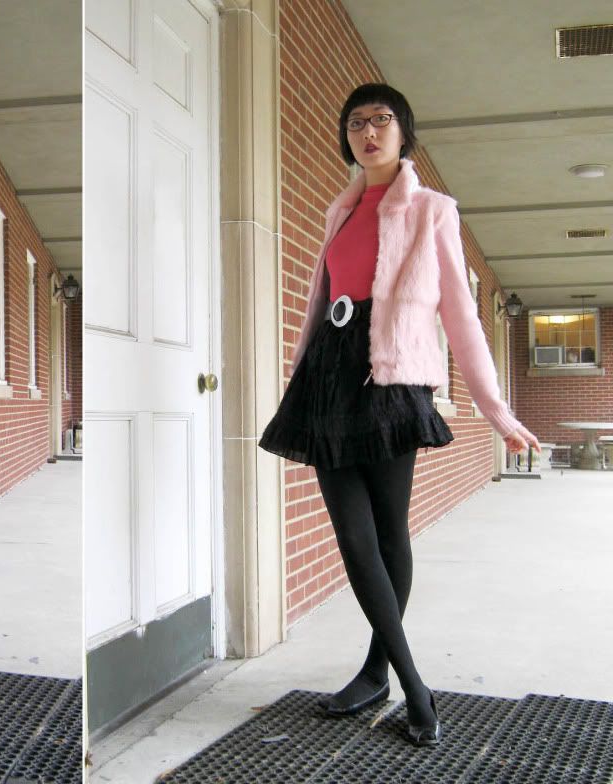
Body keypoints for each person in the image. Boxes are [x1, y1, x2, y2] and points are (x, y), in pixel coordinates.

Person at [258, 83, 541, 747]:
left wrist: (495, 409)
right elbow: (320, 303)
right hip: (329, 377)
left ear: (403, 131)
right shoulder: (339, 211)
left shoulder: (432, 211)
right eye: (356, 122)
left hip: (391, 378)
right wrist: (300, 377)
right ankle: (414, 686)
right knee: (355, 540)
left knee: (389, 534)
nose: (368, 132)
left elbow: (461, 315)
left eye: (381, 120)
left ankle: (378, 672)